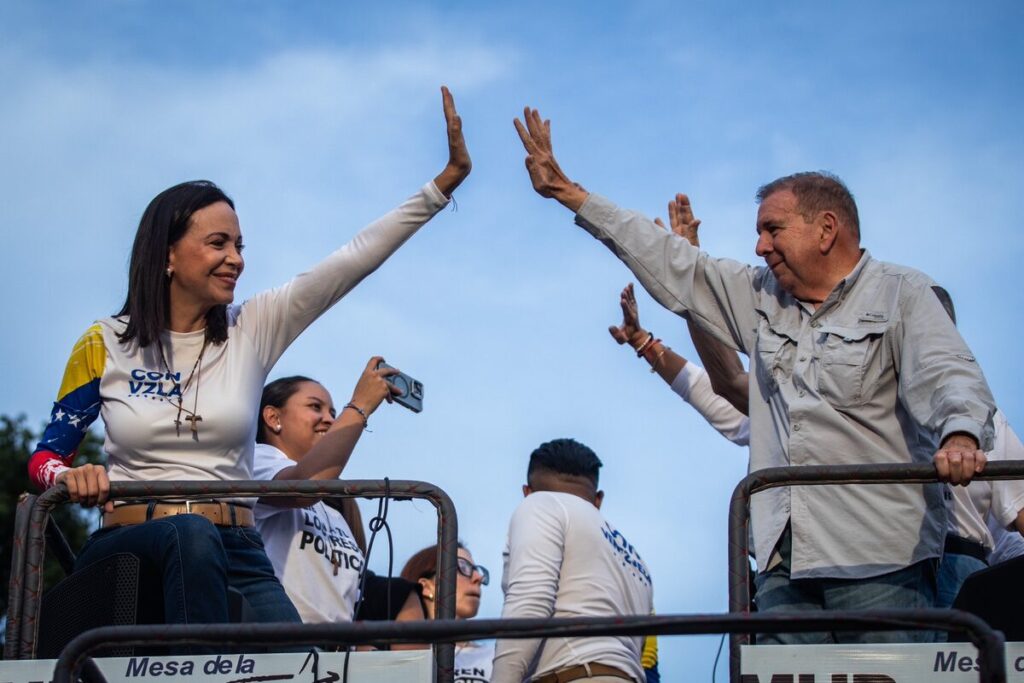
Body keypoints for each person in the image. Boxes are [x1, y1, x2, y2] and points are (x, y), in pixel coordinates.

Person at [514, 107, 996, 643]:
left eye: (772, 229)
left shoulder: (903, 293)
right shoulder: (760, 294)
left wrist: (959, 434)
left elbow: (949, 373)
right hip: (781, 564)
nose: (760, 246)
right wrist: (570, 193)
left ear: (826, 230)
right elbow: (674, 263)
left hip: (882, 560)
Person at [26, 86, 471, 626]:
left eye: (240, 246)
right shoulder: (104, 340)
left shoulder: (252, 328)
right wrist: (71, 478)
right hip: (130, 547)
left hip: (236, 545)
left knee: (299, 660)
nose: (235, 259)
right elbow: (45, 457)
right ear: (167, 253)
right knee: (188, 536)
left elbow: (350, 261)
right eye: (218, 244)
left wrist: (441, 187)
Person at [252, 370, 424, 626]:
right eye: (315, 407)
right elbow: (304, 486)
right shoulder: (255, 459)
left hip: (336, 656)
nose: (329, 420)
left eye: (333, 413)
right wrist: (360, 406)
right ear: (273, 417)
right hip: (284, 648)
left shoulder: (333, 509)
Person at [492, 438, 654, 683]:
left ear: (526, 493)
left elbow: (530, 601)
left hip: (571, 674)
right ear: (598, 499)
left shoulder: (540, 504)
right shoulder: (636, 560)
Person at [401, 542, 494, 683]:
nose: (478, 578)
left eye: (476, 570)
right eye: (462, 567)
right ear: (426, 587)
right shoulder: (401, 656)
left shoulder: (497, 658)